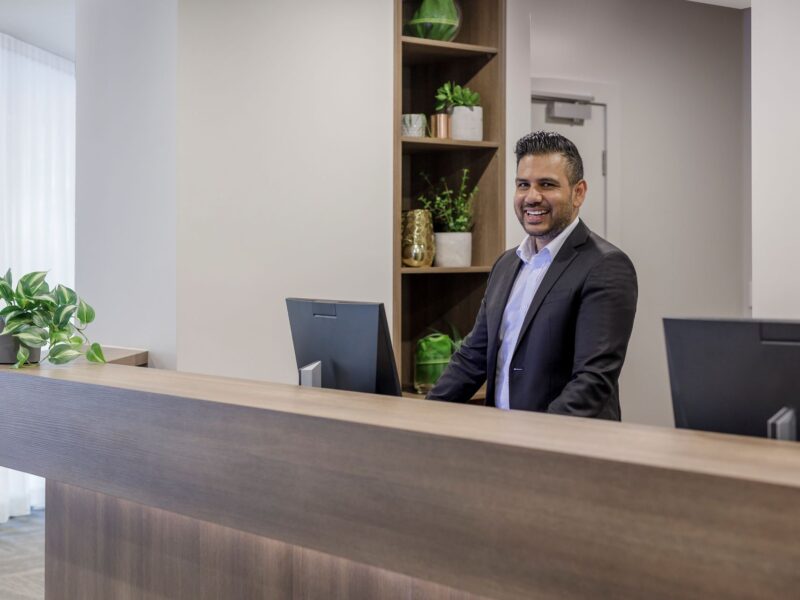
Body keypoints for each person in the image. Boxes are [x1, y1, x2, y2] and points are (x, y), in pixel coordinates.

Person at [427, 131, 637, 419]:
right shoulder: (505, 265)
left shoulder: (606, 266)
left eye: (547, 184)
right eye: (523, 185)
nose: (532, 197)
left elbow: (593, 381)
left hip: (564, 440)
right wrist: (423, 413)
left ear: (578, 193)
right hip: (501, 436)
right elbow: (473, 357)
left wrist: (535, 435)